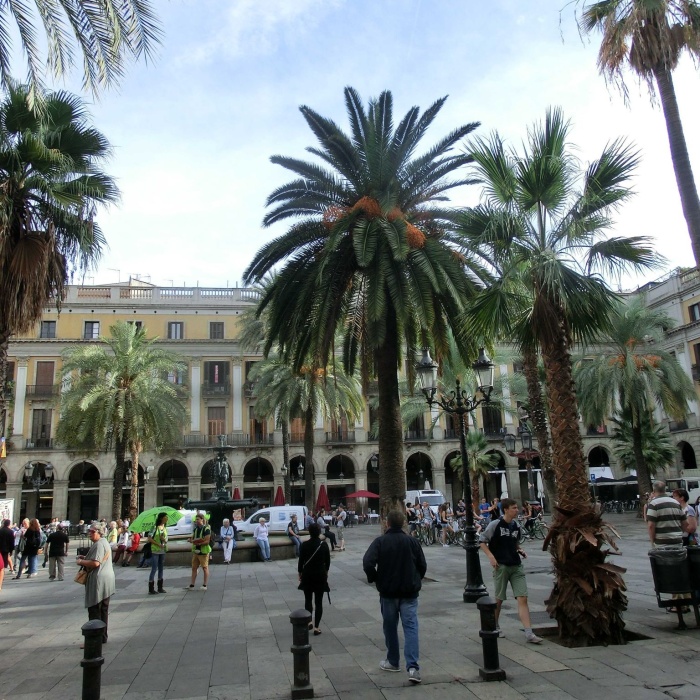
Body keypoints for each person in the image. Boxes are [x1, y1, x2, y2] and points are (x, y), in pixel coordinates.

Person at [363, 510, 427, 685]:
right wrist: (416, 578)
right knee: (411, 627)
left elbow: (368, 562)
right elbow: (422, 565)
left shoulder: (380, 542)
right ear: (403, 523)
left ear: (387, 523)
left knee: (390, 627)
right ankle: (413, 667)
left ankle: (393, 661)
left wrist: (375, 578)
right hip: (409, 592)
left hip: (388, 592)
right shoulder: (412, 541)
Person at [479, 498, 543, 644]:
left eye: (516, 507)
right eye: (514, 508)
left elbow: (514, 542)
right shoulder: (495, 524)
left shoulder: (516, 526)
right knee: (499, 599)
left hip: (516, 565)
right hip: (501, 566)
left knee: (522, 597)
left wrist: (520, 550)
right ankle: (495, 625)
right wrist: (491, 557)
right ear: (506, 510)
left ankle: (529, 632)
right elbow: (482, 541)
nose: (517, 510)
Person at [77, 523, 115, 645]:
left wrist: (81, 561)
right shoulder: (104, 542)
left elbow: (95, 563)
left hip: (98, 581)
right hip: (106, 580)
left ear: (99, 532)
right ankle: (102, 636)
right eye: (89, 531)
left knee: (95, 610)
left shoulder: (99, 544)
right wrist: (86, 557)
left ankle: (94, 639)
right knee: (103, 610)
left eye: (92, 531)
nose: (89, 533)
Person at [298, 522, 331, 635]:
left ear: (309, 532)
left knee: (308, 600)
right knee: (319, 601)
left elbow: (301, 561)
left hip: (307, 575)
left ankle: (309, 622)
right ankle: (317, 627)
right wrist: (326, 572)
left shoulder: (304, 545)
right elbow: (327, 562)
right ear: (319, 532)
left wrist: (300, 573)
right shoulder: (324, 545)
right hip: (320, 575)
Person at [647, 481, 689, 549]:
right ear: (665, 490)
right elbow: (686, 523)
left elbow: (651, 526)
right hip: (677, 542)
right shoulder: (676, 503)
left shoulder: (653, 504)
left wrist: (653, 542)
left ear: (654, 490)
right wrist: (678, 534)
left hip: (661, 543)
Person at [186, 513, 212, 590]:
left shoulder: (206, 529)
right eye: (196, 519)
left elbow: (207, 541)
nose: (196, 521)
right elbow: (193, 538)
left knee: (205, 568)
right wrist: (190, 540)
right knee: (194, 568)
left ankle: (205, 585)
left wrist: (199, 543)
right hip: (196, 551)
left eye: (198, 519)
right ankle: (192, 585)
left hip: (203, 552)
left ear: (202, 520)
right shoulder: (195, 529)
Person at [148, 513, 169, 594]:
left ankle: (160, 587)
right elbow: (149, 538)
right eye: (165, 517)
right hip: (155, 550)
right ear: (161, 518)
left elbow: (166, 539)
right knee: (154, 568)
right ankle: (151, 588)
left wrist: (163, 539)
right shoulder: (154, 527)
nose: (167, 518)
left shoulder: (165, 528)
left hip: (162, 550)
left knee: (161, 568)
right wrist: (158, 544)